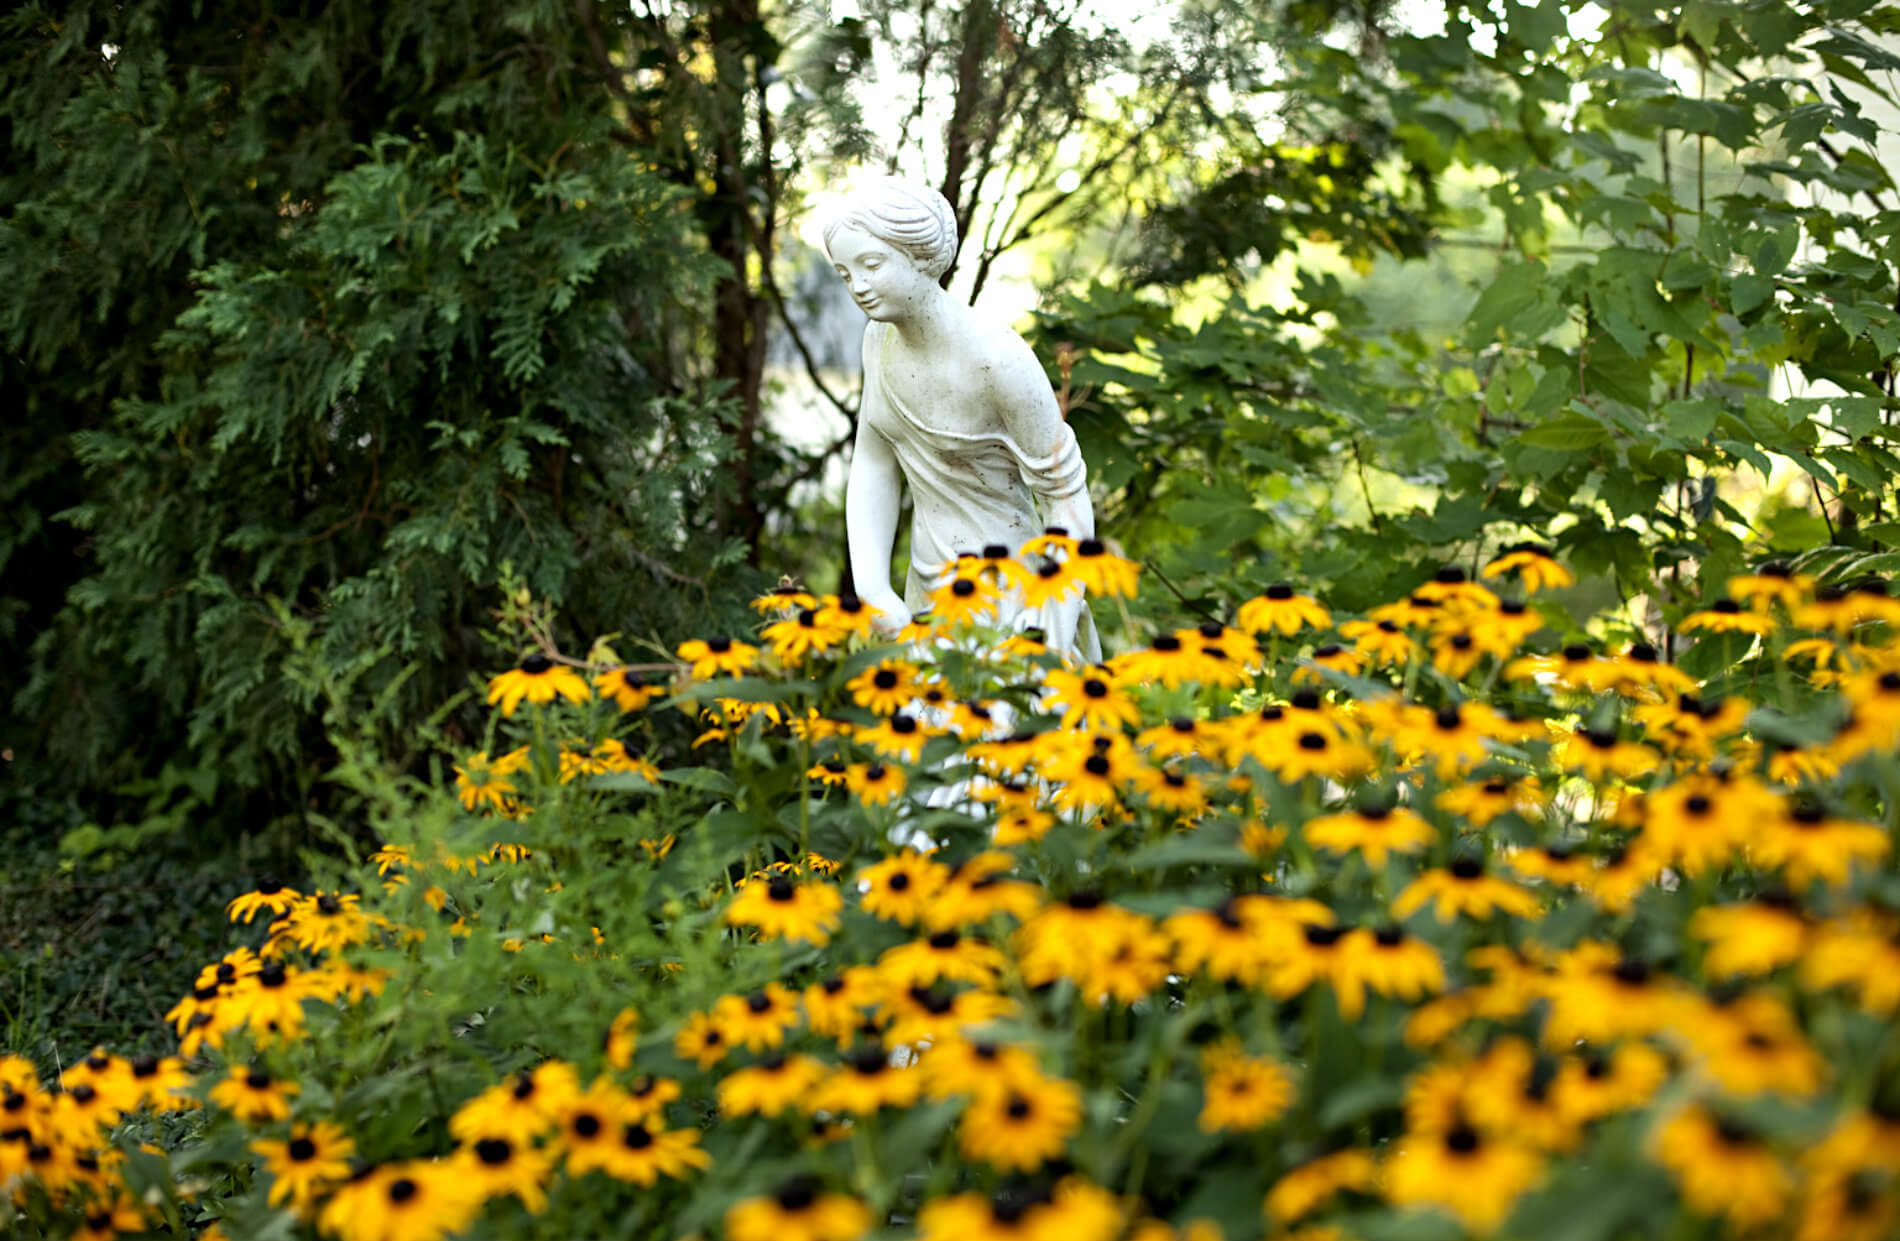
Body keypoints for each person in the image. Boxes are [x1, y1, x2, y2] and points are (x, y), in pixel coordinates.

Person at [824, 176, 1101, 660]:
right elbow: (874, 463)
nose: (860, 287)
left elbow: (1065, 495)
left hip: (1013, 592)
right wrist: (872, 586)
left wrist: (1050, 611)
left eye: (872, 264)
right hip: (928, 589)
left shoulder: (998, 360)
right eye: (846, 274)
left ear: (922, 256)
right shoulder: (878, 342)